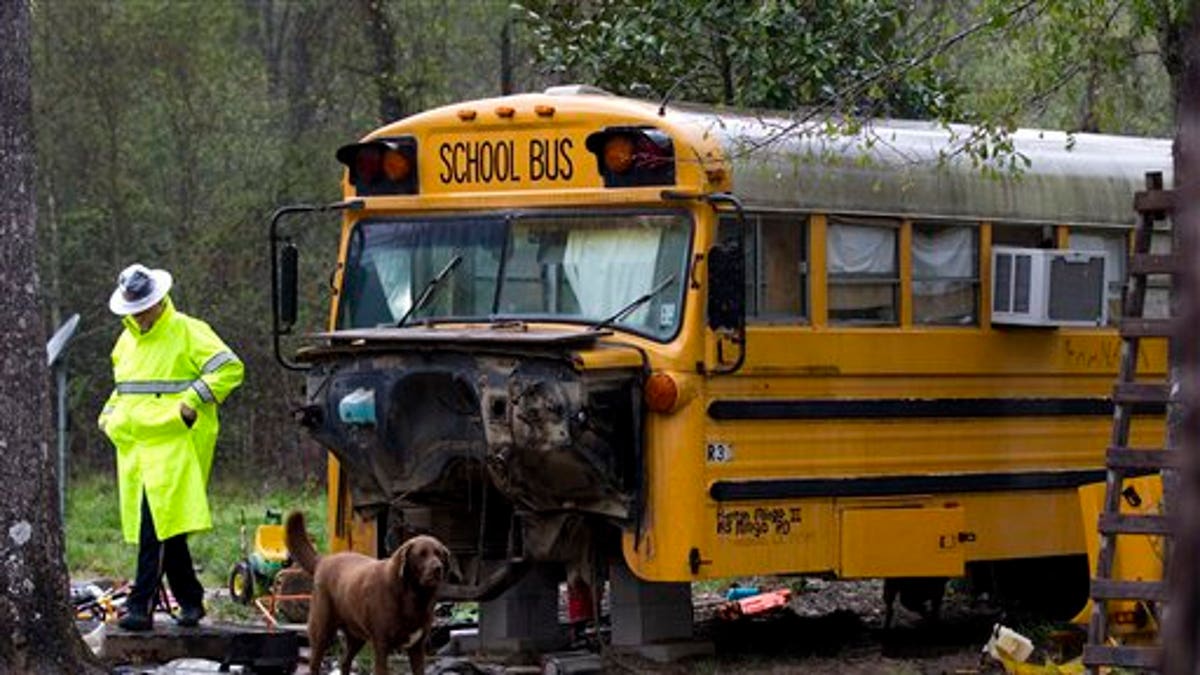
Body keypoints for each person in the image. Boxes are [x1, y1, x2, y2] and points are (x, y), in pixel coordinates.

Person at [98, 263, 244, 631]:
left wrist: (190, 402)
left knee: (156, 527)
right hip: (137, 446)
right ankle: (191, 601)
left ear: (160, 299)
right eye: (134, 308)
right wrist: (108, 416)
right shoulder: (125, 342)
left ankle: (140, 606)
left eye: (144, 306)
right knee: (168, 528)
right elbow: (124, 389)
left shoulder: (189, 331)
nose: (140, 315)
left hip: (177, 444)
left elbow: (230, 368)